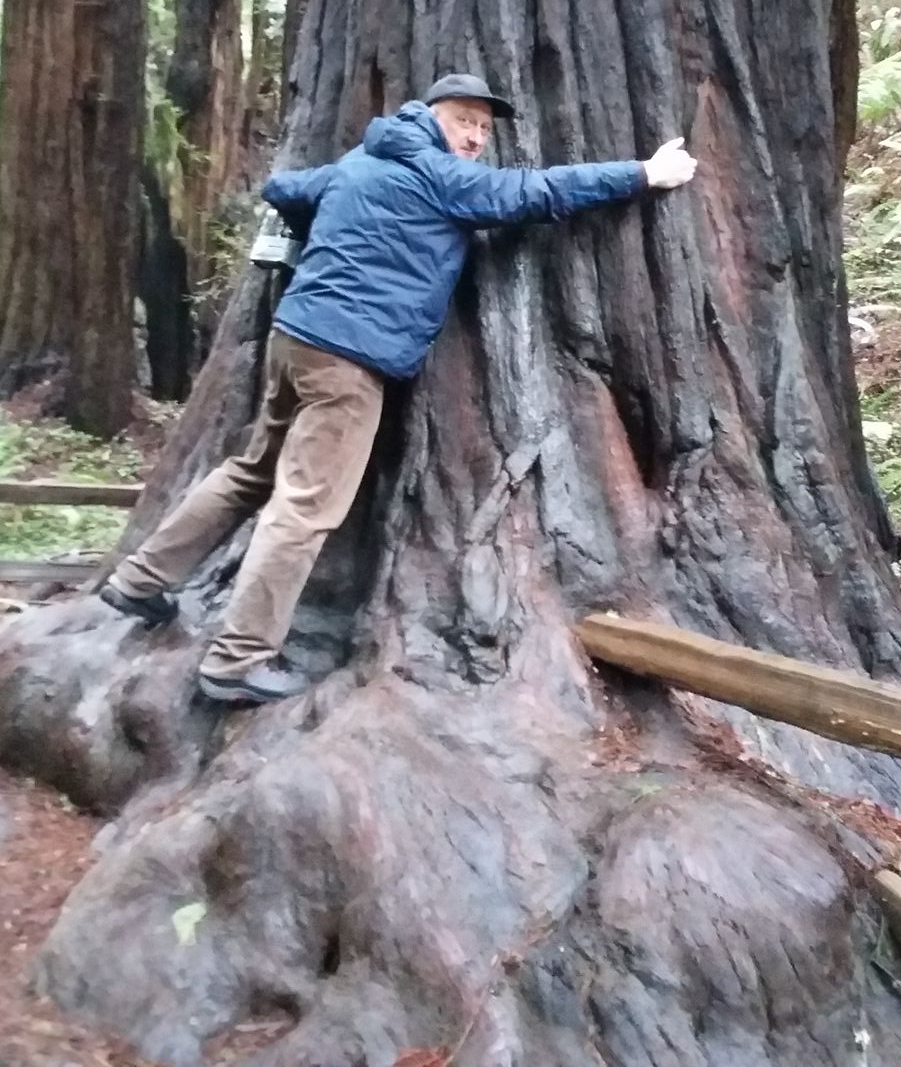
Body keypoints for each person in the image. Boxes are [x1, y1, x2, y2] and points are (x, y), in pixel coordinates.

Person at [101, 74, 697, 704]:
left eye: (483, 128)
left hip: (294, 338)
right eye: (464, 120)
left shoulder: (363, 159)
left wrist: (319, 221)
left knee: (252, 473)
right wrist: (642, 174)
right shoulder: (444, 178)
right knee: (305, 508)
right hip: (348, 362)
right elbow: (537, 191)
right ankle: (234, 661)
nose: (476, 137)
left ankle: (140, 580)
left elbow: (286, 187)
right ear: (432, 116)